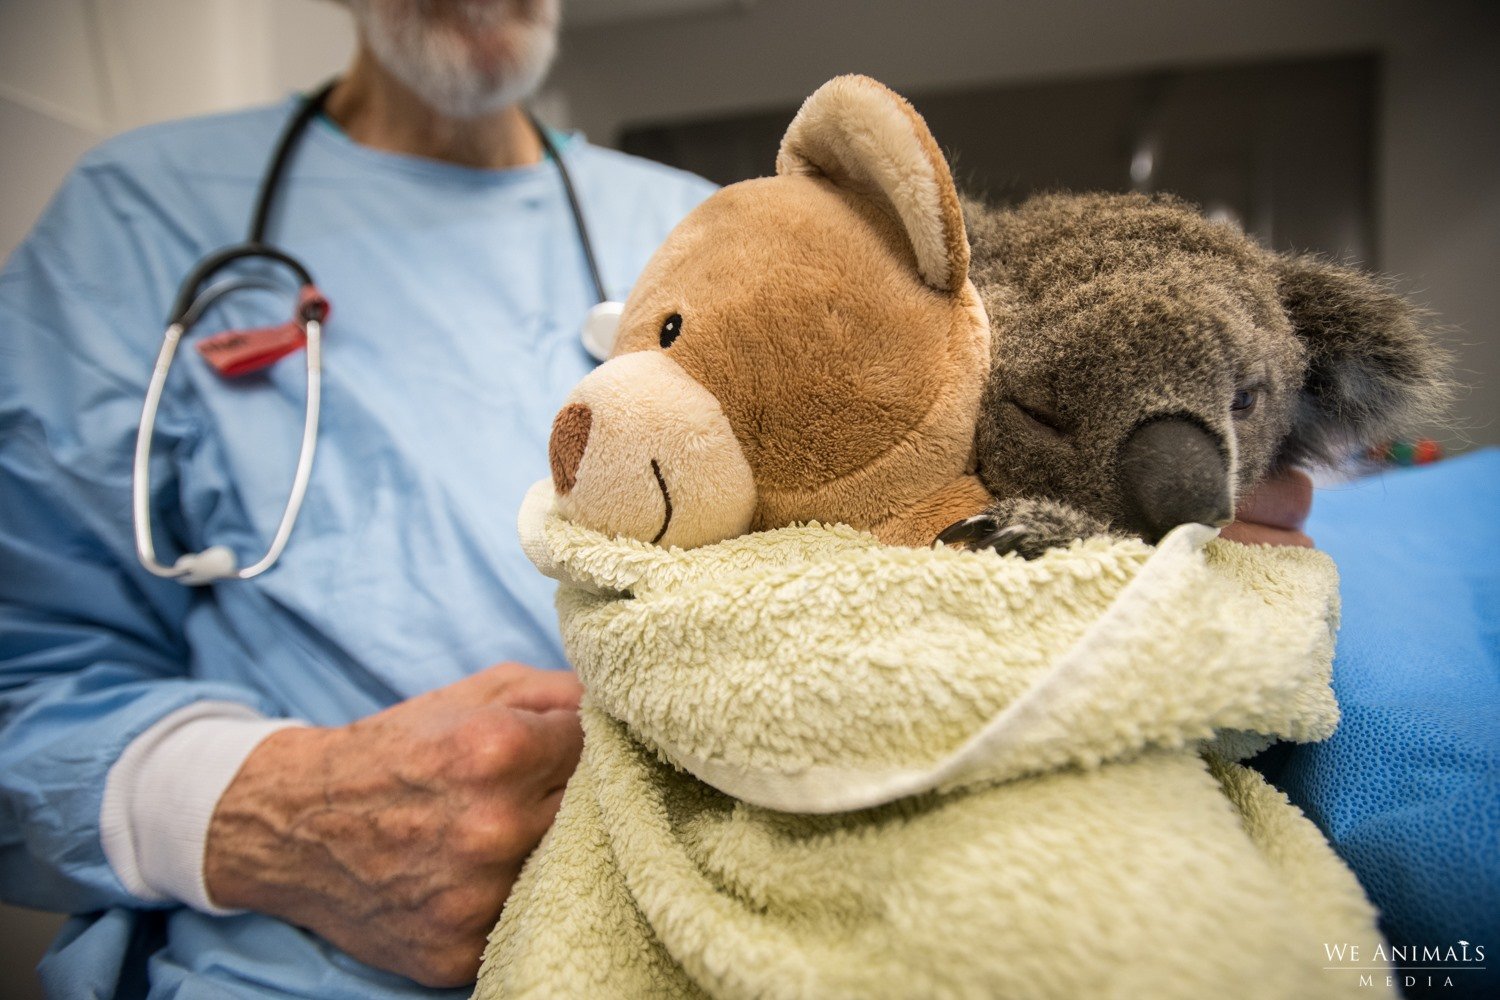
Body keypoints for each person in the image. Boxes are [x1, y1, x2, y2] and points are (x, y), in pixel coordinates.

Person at [0, 1, 1314, 996]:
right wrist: (268, 813)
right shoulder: (140, 219)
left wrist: (1124, 512)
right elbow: (24, 673)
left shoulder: (704, 221)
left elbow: (897, 497)